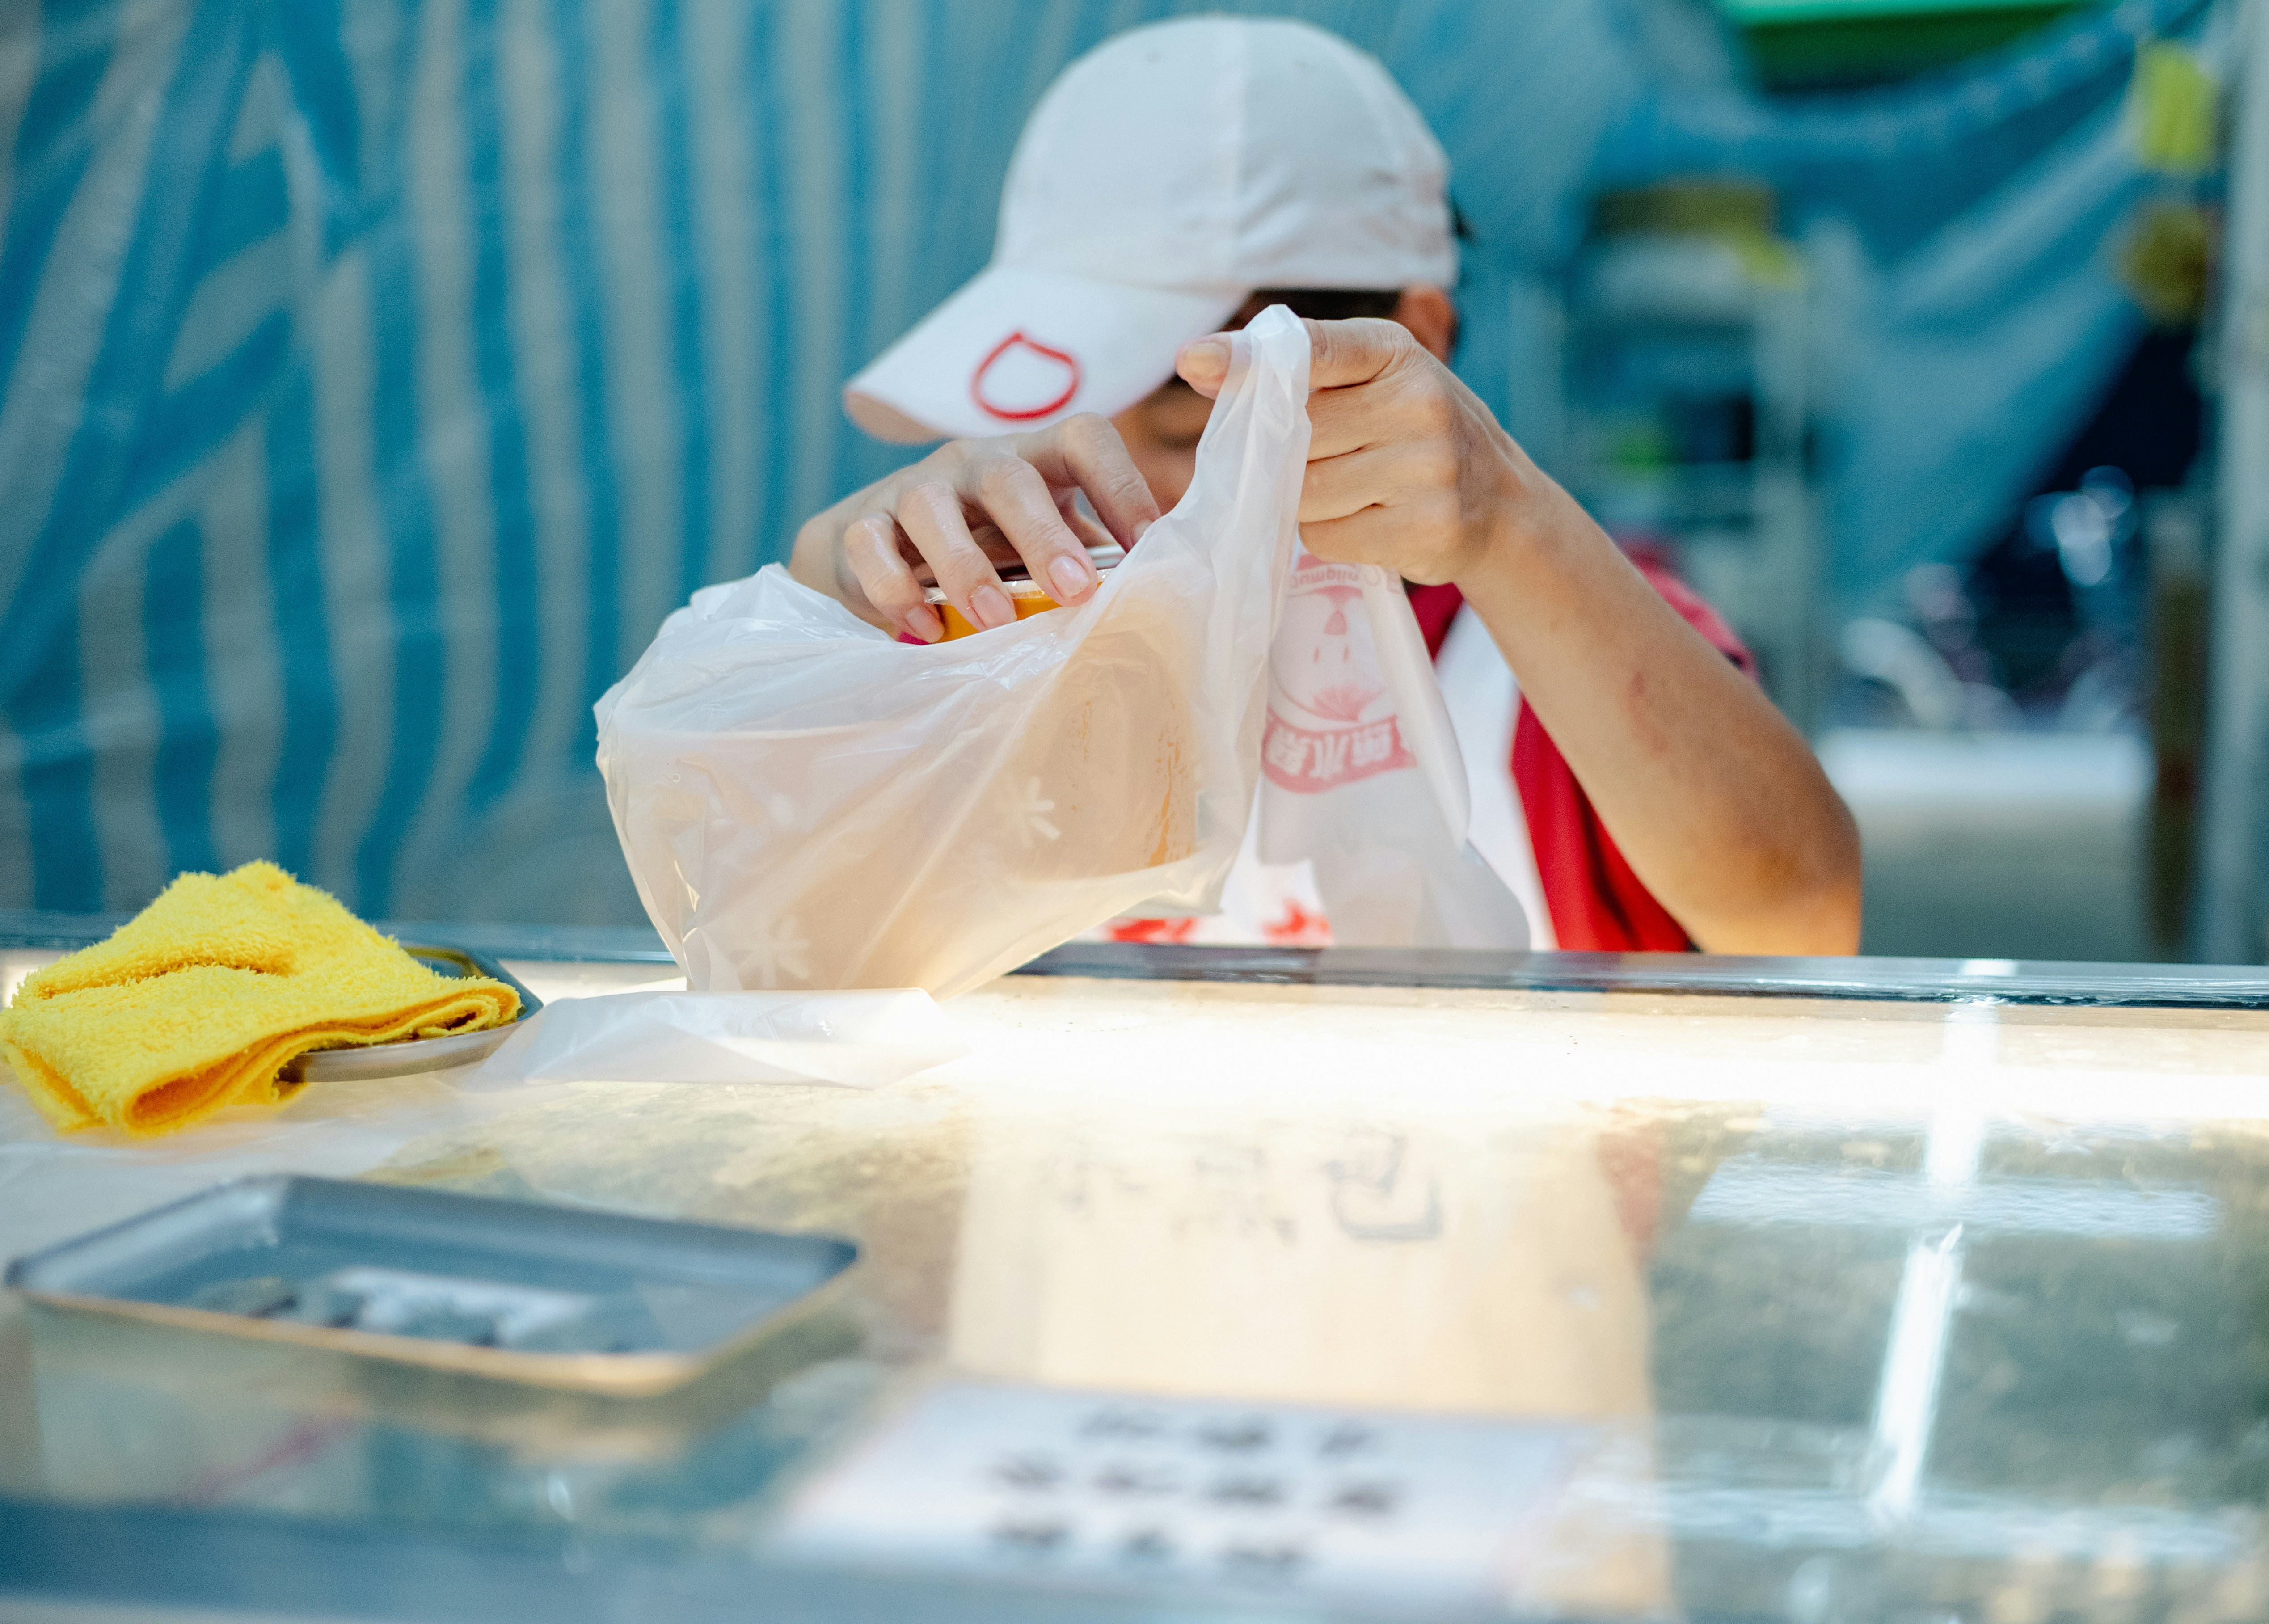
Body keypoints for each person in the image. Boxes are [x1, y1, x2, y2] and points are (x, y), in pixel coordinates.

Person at [787, 17, 1859, 956]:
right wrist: (827, 613)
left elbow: (1798, 920)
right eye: (1044, 439)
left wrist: (1515, 529)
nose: (1103, 503)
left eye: (1182, 432)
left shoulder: (1538, 656)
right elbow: (780, 917)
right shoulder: (997, 627)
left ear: (1407, 346)